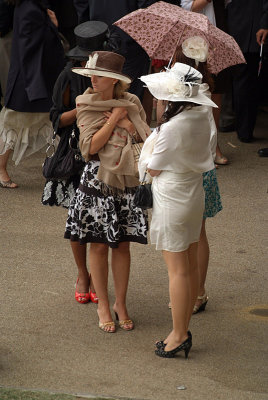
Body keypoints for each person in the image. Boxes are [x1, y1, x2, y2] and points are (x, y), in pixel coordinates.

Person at [64, 51, 150, 332]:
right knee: (99, 245)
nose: (92, 79)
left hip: (126, 181)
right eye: (91, 74)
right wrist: (115, 121)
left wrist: (129, 124)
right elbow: (90, 148)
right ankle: (103, 304)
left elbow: (145, 140)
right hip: (98, 180)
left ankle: (120, 304)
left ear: (114, 80)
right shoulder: (86, 103)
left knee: (122, 244)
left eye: (98, 75)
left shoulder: (133, 102)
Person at [139, 62, 217, 358]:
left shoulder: (173, 127)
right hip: (193, 193)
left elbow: (153, 169)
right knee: (190, 262)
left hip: (172, 196)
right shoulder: (200, 114)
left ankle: (179, 333)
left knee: (178, 271)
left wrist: (150, 141)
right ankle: (180, 330)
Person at [42, 21, 111, 305]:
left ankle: (95, 276)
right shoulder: (67, 77)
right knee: (76, 219)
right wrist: (81, 108)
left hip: (104, 154)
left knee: (100, 222)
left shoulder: (113, 78)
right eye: (81, 59)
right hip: (74, 156)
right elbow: (56, 119)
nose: (84, 64)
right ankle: (83, 274)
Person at [157, 36, 223, 314]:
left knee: (186, 238)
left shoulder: (180, 94)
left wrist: (161, 100)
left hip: (183, 170)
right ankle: (199, 291)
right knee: (199, 233)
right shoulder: (206, 91)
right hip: (203, 167)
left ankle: (192, 292)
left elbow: (162, 127)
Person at [0, 0, 65, 188]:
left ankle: (62, 168)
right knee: (13, 124)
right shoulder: (30, 7)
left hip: (37, 78)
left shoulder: (33, 6)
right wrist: (53, 27)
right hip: (30, 80)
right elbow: (29, 48)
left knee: (50, 122)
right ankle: (1, 168)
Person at [180, 0, 230, 165]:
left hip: (217, 35)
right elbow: (187, 6)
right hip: (192, 37)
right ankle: (193, 148)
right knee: (192, 90)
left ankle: (214, 145)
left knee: (216, 92)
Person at [226, 0, 268, 143]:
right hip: (243, 26)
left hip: (249, 25)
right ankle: (243, 129)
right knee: (244, 79)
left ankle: (243, 129)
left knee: (245, 80)